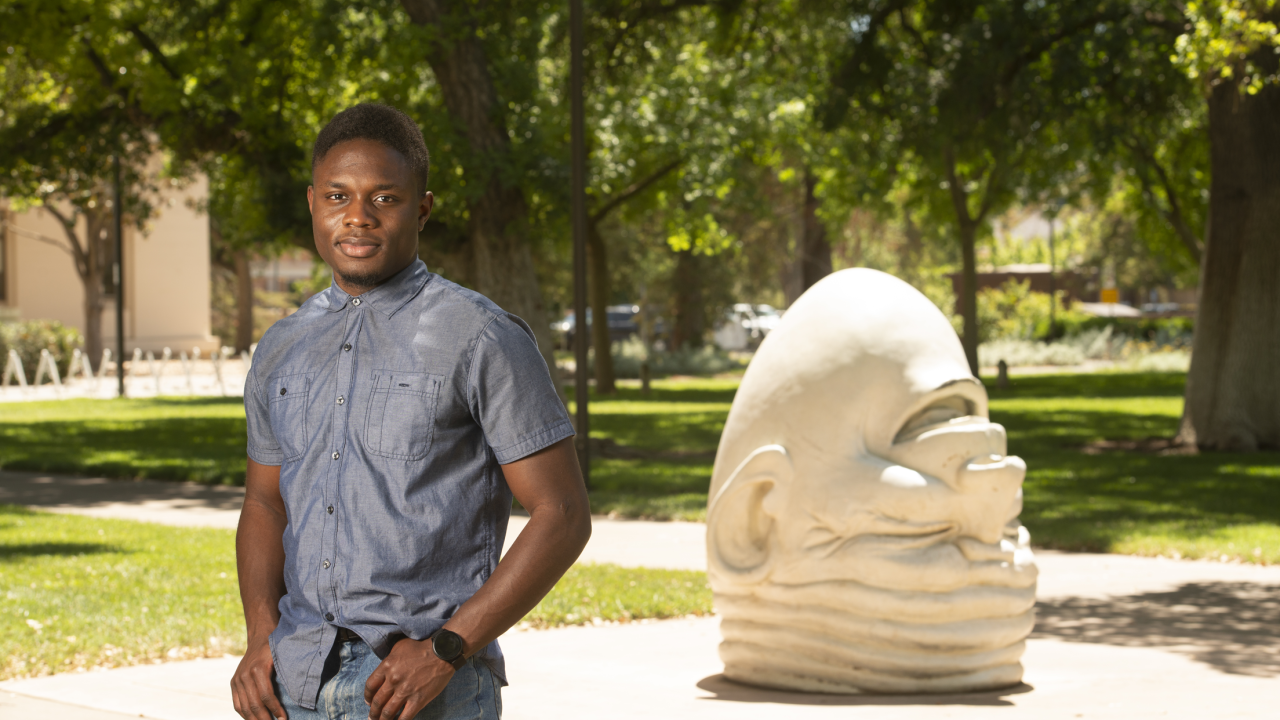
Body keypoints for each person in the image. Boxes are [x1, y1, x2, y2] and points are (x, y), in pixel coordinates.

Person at [231, 103, 590, 720]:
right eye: (339, 196)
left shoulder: (482, 336)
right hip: (293, 684)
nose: (358, 217)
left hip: (424, 690)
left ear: (422, 208)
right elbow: (265, 502)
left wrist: (447, 650)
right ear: (313, 202)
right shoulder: (280, 347)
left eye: (385, 198)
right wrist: (260, 637)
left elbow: (562, 514)